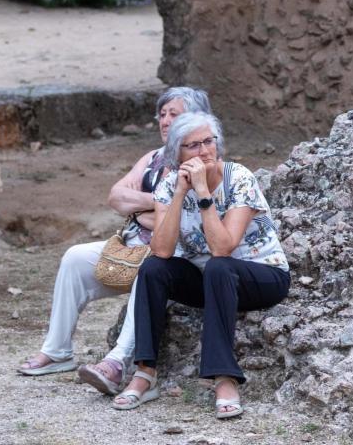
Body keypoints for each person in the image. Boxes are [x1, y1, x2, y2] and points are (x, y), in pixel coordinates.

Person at [16, 86, 211, 392]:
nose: (165, 121)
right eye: (162, 114)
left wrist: (148, 207)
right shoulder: (153, 158)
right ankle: (57, 352)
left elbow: (184, 220)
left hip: (174, 260)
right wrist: (161, 201)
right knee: (75, 258)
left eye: (175, 114)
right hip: (132, 247)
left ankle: (116, 363)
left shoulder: (204, 164)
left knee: (150, 272)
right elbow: (117, 197)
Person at [110, 111, 290, 420]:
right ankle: (145, 372)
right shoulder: (169, 185)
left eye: (208, 141)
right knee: (153, 269)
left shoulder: (239, 177)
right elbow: (163, 249)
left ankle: (224, 378)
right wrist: (180, 192)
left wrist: (204, 193)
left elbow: (224, 246)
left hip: (261, 274)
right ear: (177, 154)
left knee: (220, 265)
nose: (204, 151)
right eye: (192, 146)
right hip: (210, 279)